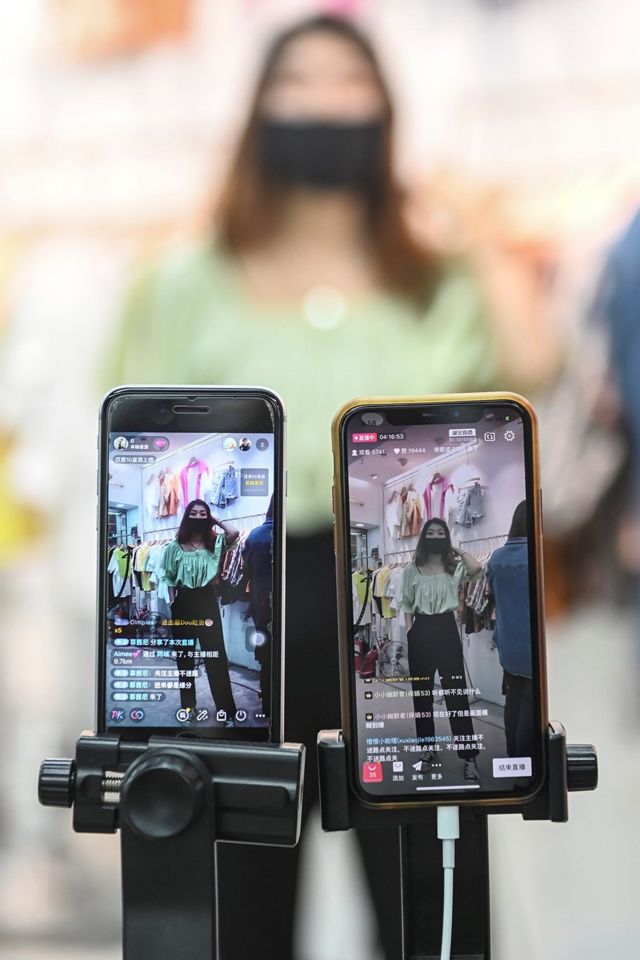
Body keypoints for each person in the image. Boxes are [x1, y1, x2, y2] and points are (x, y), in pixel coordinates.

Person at [107, 13, 537, 958]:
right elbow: (136, 458)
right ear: (258, 108)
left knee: (430, 886)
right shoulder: (182, 280)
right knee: (236, 885)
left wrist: (484, 233)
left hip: (384, 587)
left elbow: (513, 399)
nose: (323, 104)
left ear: (386, 109)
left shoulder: (437, 277)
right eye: (297, 81)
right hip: (246, 586)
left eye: (349, 83)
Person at [401, 518, 483, 782]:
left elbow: (477, 567)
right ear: (424, 537)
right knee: (422, 696)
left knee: (456, 695)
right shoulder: (412, 570)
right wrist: (411, 632)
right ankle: (426, 750)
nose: (435, 535)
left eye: (440, 532)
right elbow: (407, 606)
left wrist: (457, 550)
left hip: (446, 629)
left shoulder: (454, 567)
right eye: (431, 532)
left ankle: (469, 756)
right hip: (421, 630)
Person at [161, 499, 239, 722]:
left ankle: (227, 711)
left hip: (206, 600)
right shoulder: (174, 547)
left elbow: (234, 533)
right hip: (183, 602)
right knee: (184, 658)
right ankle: (188, 706)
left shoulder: (215, 543)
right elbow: (168, 577)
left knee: (216, 658)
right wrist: (174, 603)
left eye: (202, 513)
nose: (197, 516)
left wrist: (215, 519)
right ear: (187, 516)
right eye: (193, 513)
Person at [486, 501, 534, 758]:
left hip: (508, 644)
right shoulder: (539, 556)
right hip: (532, 646)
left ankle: (514, 762)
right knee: (530, 706)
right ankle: (527, 775)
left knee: (514, 703)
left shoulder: (496, 559)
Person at [241, 496, 274, 717]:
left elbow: (246, 574)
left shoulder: (255, 535)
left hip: (263, 608)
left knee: (267, 659)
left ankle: (269, 708)